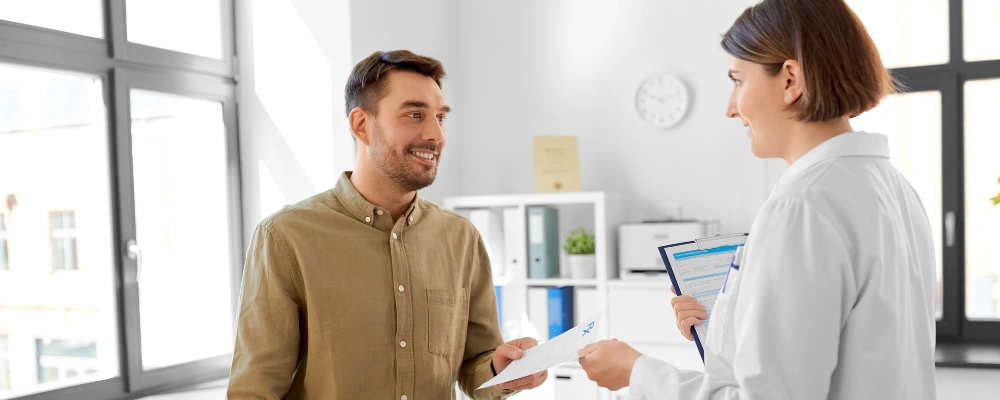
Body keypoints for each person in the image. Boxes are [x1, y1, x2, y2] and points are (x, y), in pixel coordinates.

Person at [577, 0, 937, 398]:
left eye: (737, 80)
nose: (730, 109)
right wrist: (728, 320)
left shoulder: (801, 207)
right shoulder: (894, 189)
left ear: (790, 80)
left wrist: (638, 372)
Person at [227, 50, 547, 399]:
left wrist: (501, 370)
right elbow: (255, 390)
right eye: (414, 114)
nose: (436, 134)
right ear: (361, 125)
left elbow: (475, 366)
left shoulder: (461, 237)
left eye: (440, 117)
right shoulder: (285, 237)